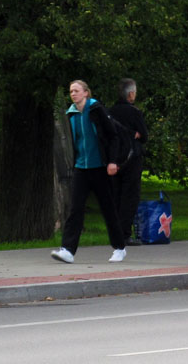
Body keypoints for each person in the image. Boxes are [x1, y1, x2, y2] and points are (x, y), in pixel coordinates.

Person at [51, 80, 128, 264]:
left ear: (86, 93)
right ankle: (68, 250)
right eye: (71, 91)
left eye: (76, 91)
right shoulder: (71, 115)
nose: (73, 94)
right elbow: (73, 142)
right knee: (75, 209)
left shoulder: (96, 110)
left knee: (108, 208)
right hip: (81, 168)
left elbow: (113, 136)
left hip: (100, 167)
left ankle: (119, 248)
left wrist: (112, 161)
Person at [110, 77, 148, 245]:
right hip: (132, 159)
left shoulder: (110, 112)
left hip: (115, 159)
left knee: (116, 196)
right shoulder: (134, 112)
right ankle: (125, 234)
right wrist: (137, 134)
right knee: (130, 196)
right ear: (131, 94)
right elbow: (144, 135)